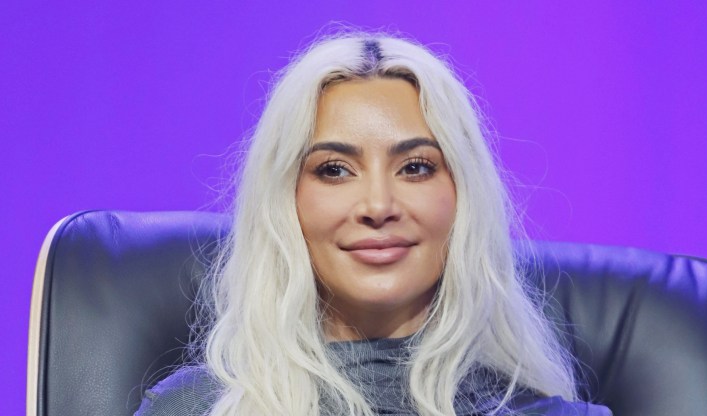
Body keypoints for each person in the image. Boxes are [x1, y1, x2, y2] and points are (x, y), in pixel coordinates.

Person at [136, 32, 612, 416]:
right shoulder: (194, 409)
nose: (378, 204)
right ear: (285, 202)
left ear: (463, 197)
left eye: (416, 167)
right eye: (334, 170)